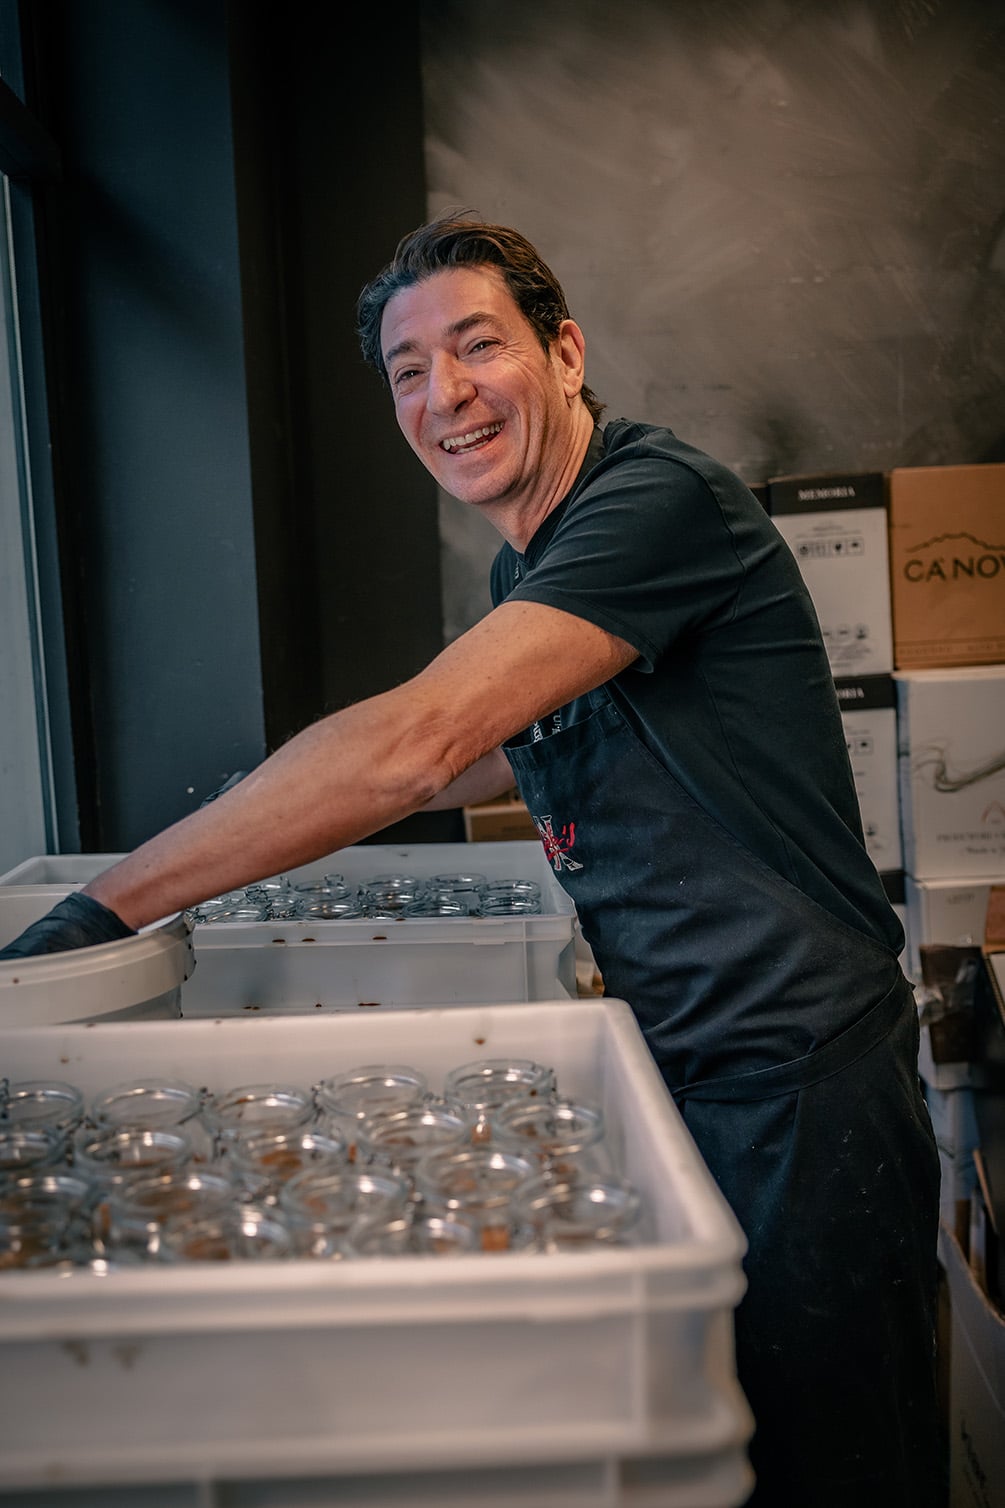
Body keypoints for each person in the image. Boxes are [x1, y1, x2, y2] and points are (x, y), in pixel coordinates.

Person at [2, 214, 940, 1507]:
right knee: (733, 1456)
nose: (440, 395)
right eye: (404, 371)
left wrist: (104, 909)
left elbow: (418, 739)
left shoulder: (652, 501)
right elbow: (474, 755)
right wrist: (269, 832)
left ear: (564, 353)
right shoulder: (536, 558)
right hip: (688, 1065)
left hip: (799, 1079)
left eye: (474, 345)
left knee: (835, 1468)